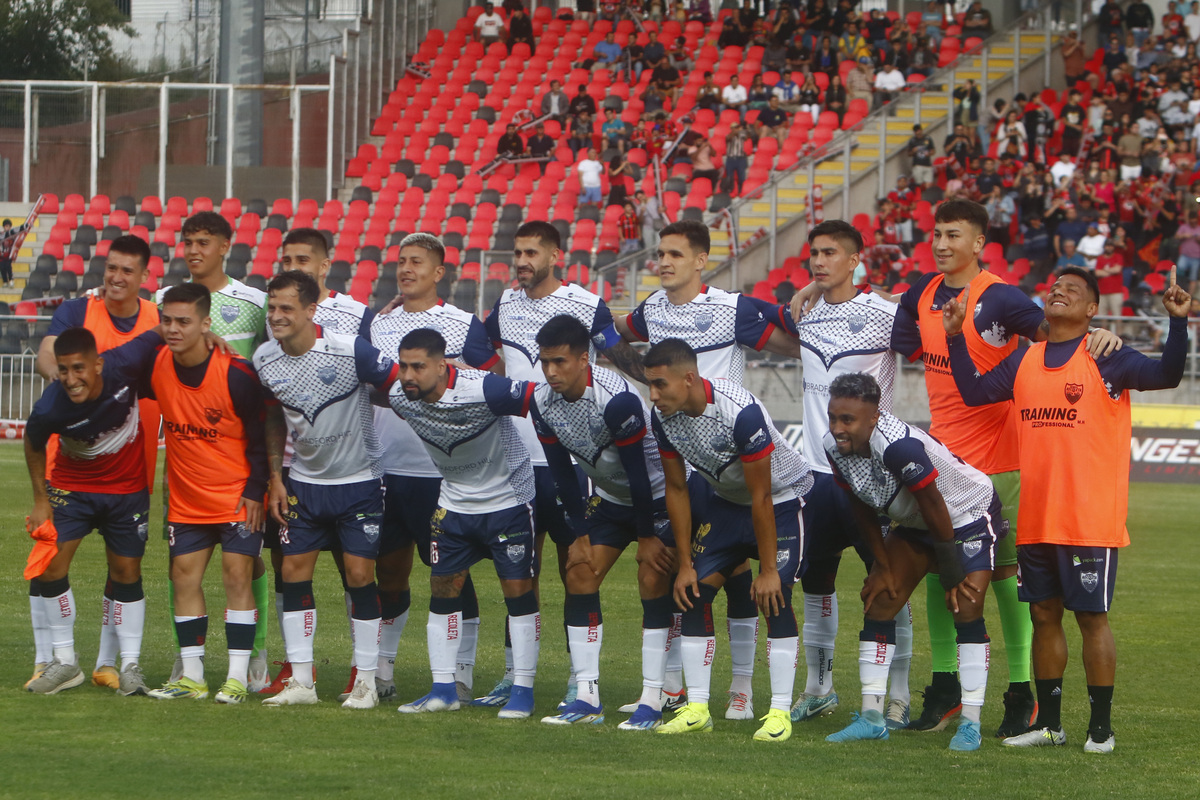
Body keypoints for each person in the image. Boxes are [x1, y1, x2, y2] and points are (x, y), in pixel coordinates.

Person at [883, 200, 1124, 738]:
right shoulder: (920, 294)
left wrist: (1099, 337)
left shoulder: (1001, 298)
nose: (942, 243)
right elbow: (896, 339)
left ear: (978, 245)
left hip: (1003, 462)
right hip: (944, 464)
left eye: (954, 235)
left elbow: (1058, 336)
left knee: (1007, 581)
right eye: (937, 233)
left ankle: (1022, 697)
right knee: (941, 575)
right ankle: (945, 689)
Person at [946, 266, 1190, 753]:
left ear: (1092, 310)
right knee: (1043, 616)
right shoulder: (1025, 359)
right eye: (1055, 288)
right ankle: (1051, 725)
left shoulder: (1107, 356)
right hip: (1036, 518)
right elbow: (974, 392)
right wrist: (955, 337)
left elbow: (1166, 374)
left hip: (1088, 518)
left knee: (1092, 620)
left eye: (1073, 290)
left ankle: (1101, 729)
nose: (1059, 292)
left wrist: (1178, 323)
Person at [614, 219, 805, 721]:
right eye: (660, 254)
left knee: (739, 574)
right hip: (681, 458)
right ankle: (668, 688)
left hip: (737, 460)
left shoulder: (732, 308)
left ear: (701, 261)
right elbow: (615, 331)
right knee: (669, 570)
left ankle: (740, 690)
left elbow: (788, 338)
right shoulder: (650, 311)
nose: (664, 262)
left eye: (675, 254)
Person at [476, 220, 644, 709]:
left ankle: (579, 679)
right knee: (517, 573)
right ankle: (514, 675)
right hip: (516, 459)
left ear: (555, 255)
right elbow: (478, 353)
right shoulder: (503, 306)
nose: (522, 261)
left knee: (575, 564)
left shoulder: (584, 303)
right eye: (517, 251)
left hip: (569, 460)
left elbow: (615, 352)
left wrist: (656, 386)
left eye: (532, 252)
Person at [822, 372, 1004, 752]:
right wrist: (882, 563)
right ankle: (872, 717)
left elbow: (935, 504)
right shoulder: (833, 446)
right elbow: (859, 503)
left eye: (848, 420)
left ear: (873, 417)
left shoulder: (899, 447)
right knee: (880, 600)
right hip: (916, 520)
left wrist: (952, 568)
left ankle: (970, 723)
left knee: (965, 606)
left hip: (964, 513)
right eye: (834, 417)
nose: (838, 428)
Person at [781, 221, 914, 730]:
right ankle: (819, 688)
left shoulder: (887, 313)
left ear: (856, 258)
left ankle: (896, 696)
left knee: (887, 586)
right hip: (816, 477)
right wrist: (811, 288)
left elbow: (926, 308)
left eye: (831, 253)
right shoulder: (805, 312)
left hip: (873, 478)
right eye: (813, 254)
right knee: (816, 586)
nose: (819, 261)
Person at [645, 338, 811, 743]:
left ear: (688, 379)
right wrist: (684, 563)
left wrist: (768, 570)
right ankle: (698, 708)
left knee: (776, 597)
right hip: (725, 504)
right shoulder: (662, 416)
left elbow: (762, 496)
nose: (653, 394)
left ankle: (779, 713)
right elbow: (677, 489)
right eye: (649, 384)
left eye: (659, 384)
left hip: (782, 499)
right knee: (692, 592)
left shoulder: (741, 413)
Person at [255, 270, 398, 709]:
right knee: (293, 573)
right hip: (304, 484)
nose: (277, 316)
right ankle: (301, 682)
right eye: (272, 307)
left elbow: (398, 385)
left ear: (311, 310)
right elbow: (273, 417)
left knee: (359, 577)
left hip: (359, 483)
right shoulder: (264, 359)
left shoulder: (348, 349)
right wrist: (277, 477)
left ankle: (366, 682)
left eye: (286, 308)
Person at [529, 315, 675, 729]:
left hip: (657, 498)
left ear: (583, 359)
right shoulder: (541, 403)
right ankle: (587, 695)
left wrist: (647, 537)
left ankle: (652, 696)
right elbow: (562, 473)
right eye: (544, 362)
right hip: (609, 499)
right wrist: (578, 534)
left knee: (652, 577)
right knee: (579, 573)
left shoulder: (618, 401)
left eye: (559, 361)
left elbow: (639, 477)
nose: (551, 372)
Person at [370, 233, 498, 703]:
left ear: (439, 272)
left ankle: (461, 673)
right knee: (388, 571)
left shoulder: (463, 324)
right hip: (385, 466)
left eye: (417, 262)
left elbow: (491, 382)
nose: (406, 269)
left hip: (438, 473)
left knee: (450, 573)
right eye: (401, 261)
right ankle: (382, 668)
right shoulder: (379, 324)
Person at [32, 235, 162, 694]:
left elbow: (181, 346)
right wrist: (66, 387)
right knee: (49, 559)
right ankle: (48, 659)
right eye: (111, 268)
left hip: (131, 467)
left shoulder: (154, 321)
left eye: (128, 270)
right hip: (69, 465)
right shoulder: (77, 311)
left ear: (145, 277)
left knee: (123, 569)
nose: (116, 277)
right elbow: (49, 351)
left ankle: (115, 664)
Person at [389, 329, 541, 719]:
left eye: (418, 367)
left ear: (442, 366)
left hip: (507, 499)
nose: (408, 375)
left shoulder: (484, 389)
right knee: (442, 591)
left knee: (518, 594)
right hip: (454, 502)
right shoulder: (398, 396)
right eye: (403, 365)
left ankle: (522, 691)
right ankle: (444, 689)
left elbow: (537, 399)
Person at [156, 212, 271, 689]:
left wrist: (261, 482)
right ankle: (191, 668)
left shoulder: (256, 303)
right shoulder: (165, 311)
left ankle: (252, 659)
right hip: (187, 467)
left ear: (226, 246)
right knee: (183, 569)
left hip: (241, 462)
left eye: (203, 241)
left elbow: (270, 364)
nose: (192, 250)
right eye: (187, 242)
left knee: (243, 567)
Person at [0, 217, 29, 286]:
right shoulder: (1, 234)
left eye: (8, 226)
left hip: (9, 254)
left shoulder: (13, 235)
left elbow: (18, 235)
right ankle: (5, 281)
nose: (7, 227)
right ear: (3, 227)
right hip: (1, 255)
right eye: (6, 226)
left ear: (10, 227)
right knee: (1, 267)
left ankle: (10, 279)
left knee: (8, 267)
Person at [723, 122, 749, 196]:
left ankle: (741, 191)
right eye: (735, 128)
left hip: (740, 158)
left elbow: (747, 137)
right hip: (730, 159)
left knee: (742, 177)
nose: (736, 129)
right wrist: (734, 132)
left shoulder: (742, 135)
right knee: (729, 177)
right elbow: (728, 139)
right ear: (731, 129)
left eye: (737, 127)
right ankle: (730, 192)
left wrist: (745, 129)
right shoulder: (728, 135)